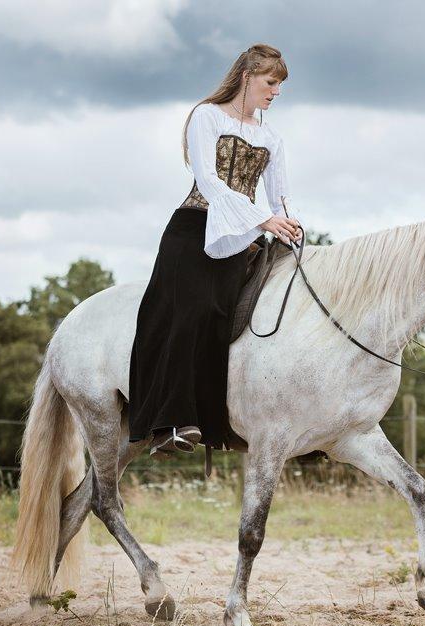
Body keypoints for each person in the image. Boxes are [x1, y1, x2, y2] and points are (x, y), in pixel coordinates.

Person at [128, 44, 302, 459]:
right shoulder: (206, 116)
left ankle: (216, 422)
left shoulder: (271, 137)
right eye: (271, 82)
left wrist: (289, 224)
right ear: (247, 76)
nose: (276, 92)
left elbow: (280, 197)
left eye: (279, 85)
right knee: (193, 312)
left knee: (224, 320)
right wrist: (263, 219)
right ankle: (168, 423)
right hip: (193, 228)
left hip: (238, 238)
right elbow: (208, 180)